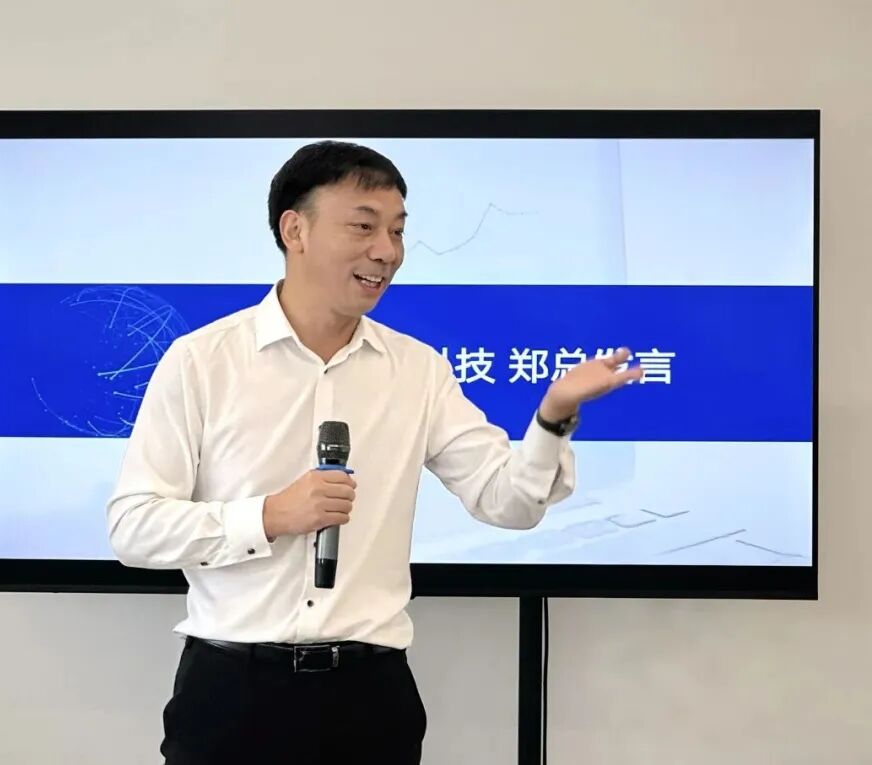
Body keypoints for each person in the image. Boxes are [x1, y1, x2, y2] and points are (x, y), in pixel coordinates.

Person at [106, 140, 643, 765]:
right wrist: (270, 515)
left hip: (368, 698)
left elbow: (508, 504)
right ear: (295, 230)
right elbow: (134, 528)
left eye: (396, 230)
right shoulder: (202, 361)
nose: (386, 251)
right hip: (230, 692)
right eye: (363, 227)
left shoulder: (416, 370)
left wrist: (552, 417)